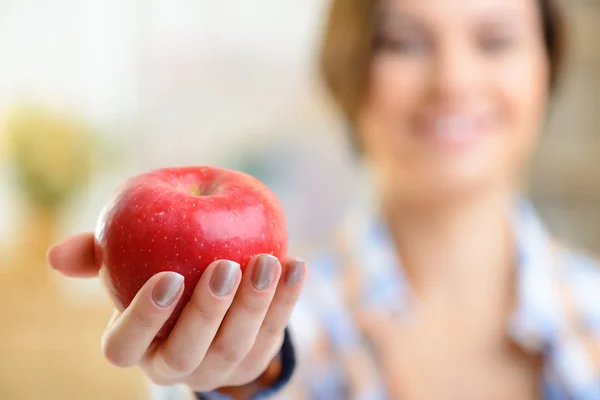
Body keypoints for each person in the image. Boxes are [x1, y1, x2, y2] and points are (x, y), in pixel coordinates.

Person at [47, 0, 600, 398]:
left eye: (495, 40)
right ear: (347, 71)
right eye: (403, 42)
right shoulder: (263, 320)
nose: (453, 81)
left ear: (548, 66)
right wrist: (244, 382)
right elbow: (244, 375)